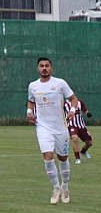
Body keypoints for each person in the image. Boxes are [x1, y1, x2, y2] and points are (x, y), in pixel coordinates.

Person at [27, 57, 78, 204]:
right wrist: (29, 113)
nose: (44, 68)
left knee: (62, 158)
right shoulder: (33, 86)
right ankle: (56, 188)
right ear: (38, 68)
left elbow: (73, 99)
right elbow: (31, 101)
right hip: (43, 128)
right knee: (48, 157)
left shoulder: (60, 83)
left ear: (51, 68)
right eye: (42, 66)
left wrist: (73, 110)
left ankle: (65, 187)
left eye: (47, 66)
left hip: (60, 128)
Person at [64, 98, 93, 164]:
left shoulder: (79, 102)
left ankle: (83, 151)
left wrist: (87, 113)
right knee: (75, 138)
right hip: (71, 125)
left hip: (81, 126)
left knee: (89, 143)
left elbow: (85, 110)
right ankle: (77, 158)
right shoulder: (65, 104)